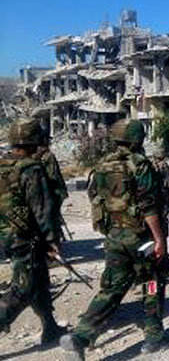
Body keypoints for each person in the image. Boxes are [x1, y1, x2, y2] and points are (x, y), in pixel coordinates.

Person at [61, 119, 169, 358]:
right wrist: (159, 238)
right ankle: (154, 336)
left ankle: (80, 336)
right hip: (141, 239)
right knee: (151, 282)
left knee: (111, 289)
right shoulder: (140, 165)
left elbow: (95, 198)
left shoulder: (102, 166)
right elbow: (148, 206)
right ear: (137, 139)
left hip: (114, 238)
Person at [0, 118, 65, 345]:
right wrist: (52, 240)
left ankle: (50, 327)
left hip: (6, 235)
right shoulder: (31, 168)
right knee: (23, 288)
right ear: (35, 140)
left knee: (40, 280)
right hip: (25, 237)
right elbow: (42, 209)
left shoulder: (2, 165)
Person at [36, 132, 69, 241]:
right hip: (53, 191)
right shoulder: (47, 155)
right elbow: (53, 175)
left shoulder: (38, 155)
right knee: (52, 217)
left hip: (47, 191)